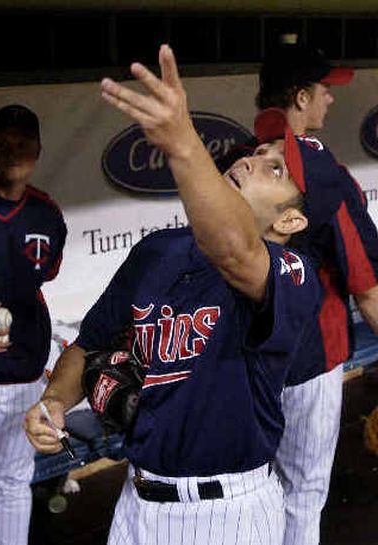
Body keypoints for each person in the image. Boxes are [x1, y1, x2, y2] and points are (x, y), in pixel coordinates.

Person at [24, 46, 348, 545]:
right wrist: (54, 403)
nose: (254, 162)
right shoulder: (159, 250)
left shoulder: (293, 276)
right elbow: (88, 344)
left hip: (228, 514)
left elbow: (237, 250)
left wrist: (181, 143)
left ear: (291, 220)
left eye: (276, 170)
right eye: (260, 153)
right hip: (136, 503)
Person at [257, 43, 378, 545]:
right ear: (300, 96)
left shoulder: (236, 159)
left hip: (248, 359)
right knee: (303, 495)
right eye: (325, 91)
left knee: (255, 493)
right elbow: (367, 287)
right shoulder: (321, 169)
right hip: (310, 357)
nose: (330, 100)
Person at [0, 104, 67, 545]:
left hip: (24, 373)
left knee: (13, 480)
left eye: (23, 141)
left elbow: (45, 277)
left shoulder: (47, 215)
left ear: (37, 150)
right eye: (4, 139)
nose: (13, 149)